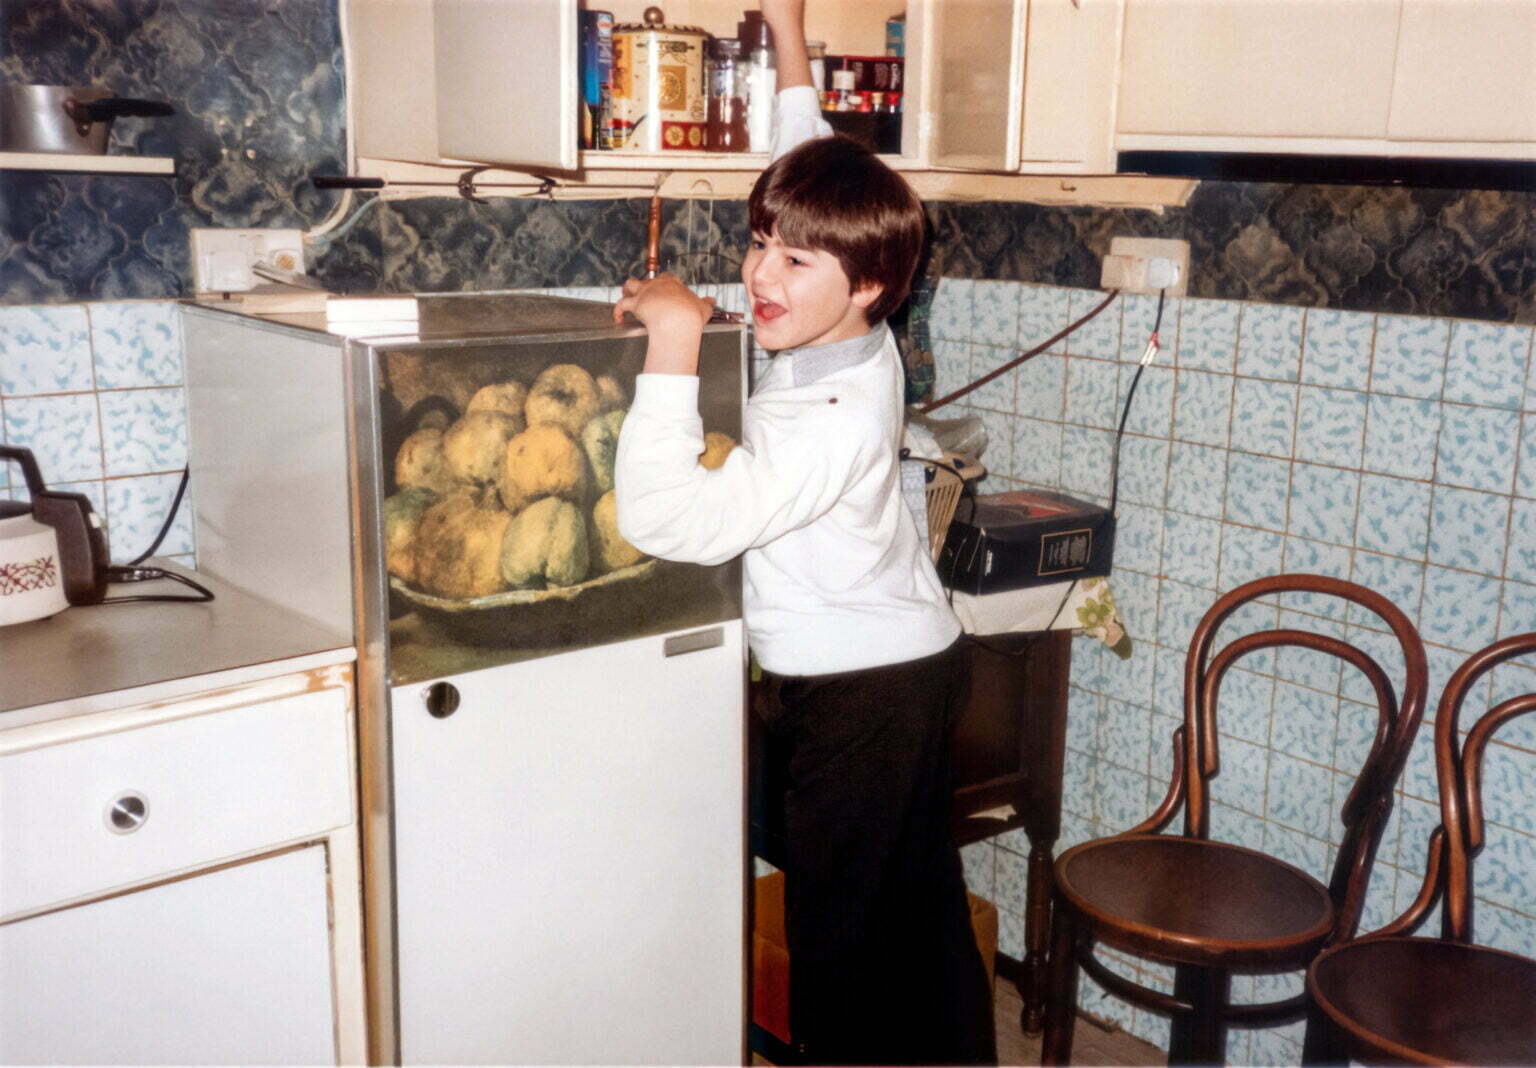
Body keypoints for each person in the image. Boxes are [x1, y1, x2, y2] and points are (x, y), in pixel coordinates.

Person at [612, 2, 996, 1064]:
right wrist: (786, 29)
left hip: (864, 697)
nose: (761, 278)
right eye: (760, 246)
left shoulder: (830, 413)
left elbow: (668, 518)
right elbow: (806, 156)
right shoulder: (851, 327)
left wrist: (676, 345)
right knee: (916, 918)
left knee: (842, 946)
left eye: (794, 264)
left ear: (870, 285)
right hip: (908, 668)